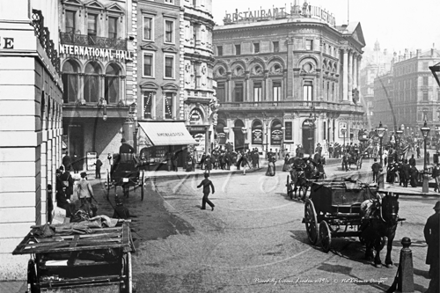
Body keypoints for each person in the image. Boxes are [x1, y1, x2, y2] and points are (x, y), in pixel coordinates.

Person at [423, 201, 440, 293]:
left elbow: (426, 230)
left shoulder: (431, 218)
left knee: (433, 258)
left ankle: (431, 273)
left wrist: (429, 240)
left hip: (433, 242)